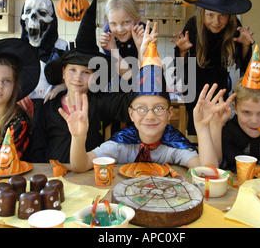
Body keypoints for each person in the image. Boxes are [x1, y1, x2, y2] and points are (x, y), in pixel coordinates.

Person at [61, 42, 235, 172]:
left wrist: (203, 128)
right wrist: (78, 137)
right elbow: (80, 165)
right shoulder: (121, 144)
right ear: (131, 114)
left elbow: (208, 170)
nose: (150, 116)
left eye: (159, 108)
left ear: (169, 114)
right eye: (141, 109)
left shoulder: (174, 145)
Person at [27, 0, 158, 163]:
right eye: (72, 70)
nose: (77, 78)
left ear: (95, 75)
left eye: (86, 72)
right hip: (53, 177)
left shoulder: (101, 102)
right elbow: (36, 152)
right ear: (63, 73)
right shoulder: (49, 107)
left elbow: (140, 100)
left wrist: (143, 52)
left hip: (89, 175)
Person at [171, 0, 255, 135]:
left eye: (222, 15)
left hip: (220, 90)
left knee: (217, 133)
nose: (216, 21)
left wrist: (245, 46)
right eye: (210, 15)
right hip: (194, 90)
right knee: (196, 133)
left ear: (229, 15)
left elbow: (244, 66)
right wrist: (182, 51)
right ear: (203, 13)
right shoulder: (193, 26)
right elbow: (180, 71)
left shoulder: (235, 27)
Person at [99, 0, 148, 80]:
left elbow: (141, 75)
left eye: (126, 22)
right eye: (113, 23)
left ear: (137, 20)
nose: (120, 29)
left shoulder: (145, 33)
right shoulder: (108, 38)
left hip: (142, 85)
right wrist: (113, 50)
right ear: (108, 21)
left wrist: (140, 47)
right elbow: (128, 76)